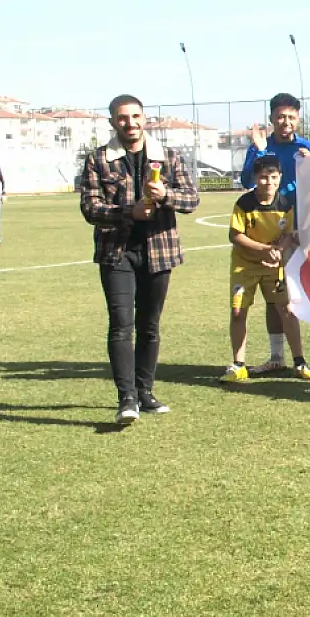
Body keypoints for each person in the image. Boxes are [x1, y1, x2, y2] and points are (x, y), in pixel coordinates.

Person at [76, 95, 200, 425]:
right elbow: (89, 207)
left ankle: (145, 392)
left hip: (158, 251)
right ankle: (126, 398)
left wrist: (166, 196)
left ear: (145, 119)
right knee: (121, 326)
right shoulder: (99, 159)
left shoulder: (168, 157)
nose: (129, 123)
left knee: (149, 326)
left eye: (135, 116)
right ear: (113, 122)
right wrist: (125, 212)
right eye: (122, 118)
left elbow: (192, 200)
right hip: (116, 253)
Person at [241, 94, 310, 373]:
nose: (285, 122)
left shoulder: (308, 147)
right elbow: (245, 181)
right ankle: (277, 357)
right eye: (280, 116)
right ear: (272, 118)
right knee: (275, 298)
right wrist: (259, 151)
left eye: (291, 117)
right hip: (273, 236)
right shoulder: (262, 146)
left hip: (306, 233)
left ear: (298, 119)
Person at [222, 156, 310, 382]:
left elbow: (287, 235)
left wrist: (277, 250)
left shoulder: (285, 205)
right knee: (238, 313)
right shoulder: (244, 204)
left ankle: (300, 362)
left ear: (280, 178)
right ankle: (238, 365)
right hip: (244, 268)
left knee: (286, 310)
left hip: (274, 268)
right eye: (264, 177)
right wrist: (265, 249)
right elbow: (235, 235)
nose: (269, 182)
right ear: (255, 178)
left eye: (274, 177)